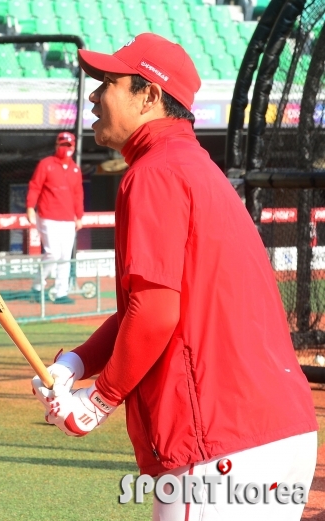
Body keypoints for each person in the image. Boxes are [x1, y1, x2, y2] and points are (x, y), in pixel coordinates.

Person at [31, 33, 317, 520]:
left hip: (217, 445)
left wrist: (98, 401)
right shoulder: (192, 167)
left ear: (149, 95)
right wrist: (76, 365)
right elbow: (149, 306)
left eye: (109, 82)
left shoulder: (154, 173)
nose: (96, 95)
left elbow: (157, 312)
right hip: (277, 432)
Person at [26, 131, 84, 304]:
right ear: (57, 146)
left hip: (67, 218)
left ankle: (61, 292)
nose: (66, 148)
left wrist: (79, 216)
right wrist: (30, 207)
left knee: (65, 256)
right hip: (47, 215)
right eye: (63, 145)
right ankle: (37, 286)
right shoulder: (46, 164)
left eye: (69, 145)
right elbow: (35, 186)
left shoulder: (75, 168)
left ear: (73, 147)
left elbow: (77, 194)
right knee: (52, 253)